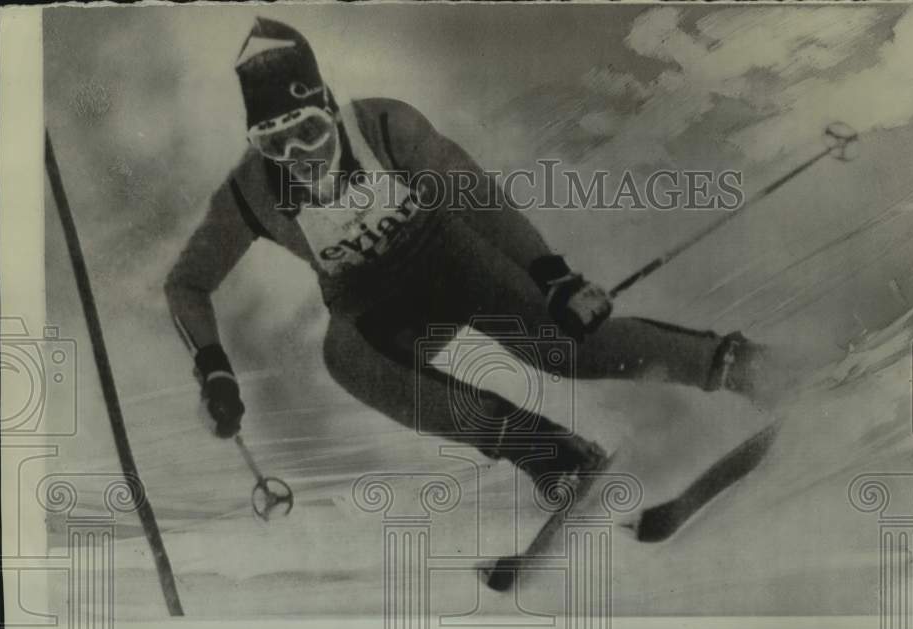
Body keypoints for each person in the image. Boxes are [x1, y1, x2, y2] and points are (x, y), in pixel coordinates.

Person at [165, 17, 778, 492]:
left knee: (558, 344)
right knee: (345, 355)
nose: (300, 155)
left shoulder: (385, 127)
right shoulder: (250, 192)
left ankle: (732, 363)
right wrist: (215, 370)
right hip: (377, 306)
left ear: (331, 110)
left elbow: (477, 197)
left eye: (310, 131)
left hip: (450, 256)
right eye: (277, 143)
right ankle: (550, 454)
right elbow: (187, 284)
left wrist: (554, 278)